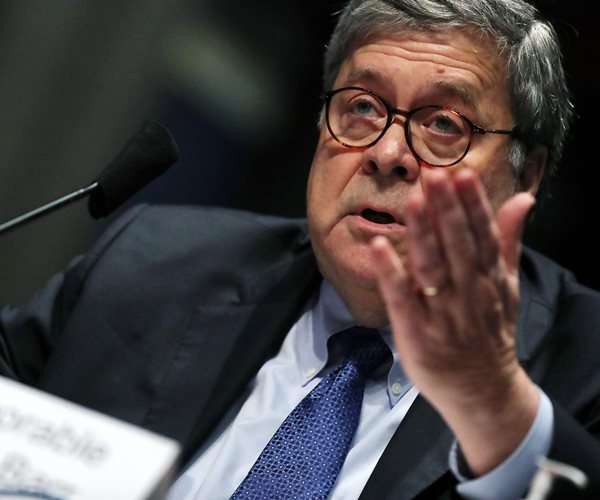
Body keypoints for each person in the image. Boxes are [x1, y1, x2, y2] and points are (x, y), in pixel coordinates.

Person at [2, 0, 600, 498]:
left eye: (444, 124)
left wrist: (496, 409)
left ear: (526, 176)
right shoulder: (152, 266)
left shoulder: (585, 364)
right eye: (361, 107)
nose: (387, 153)